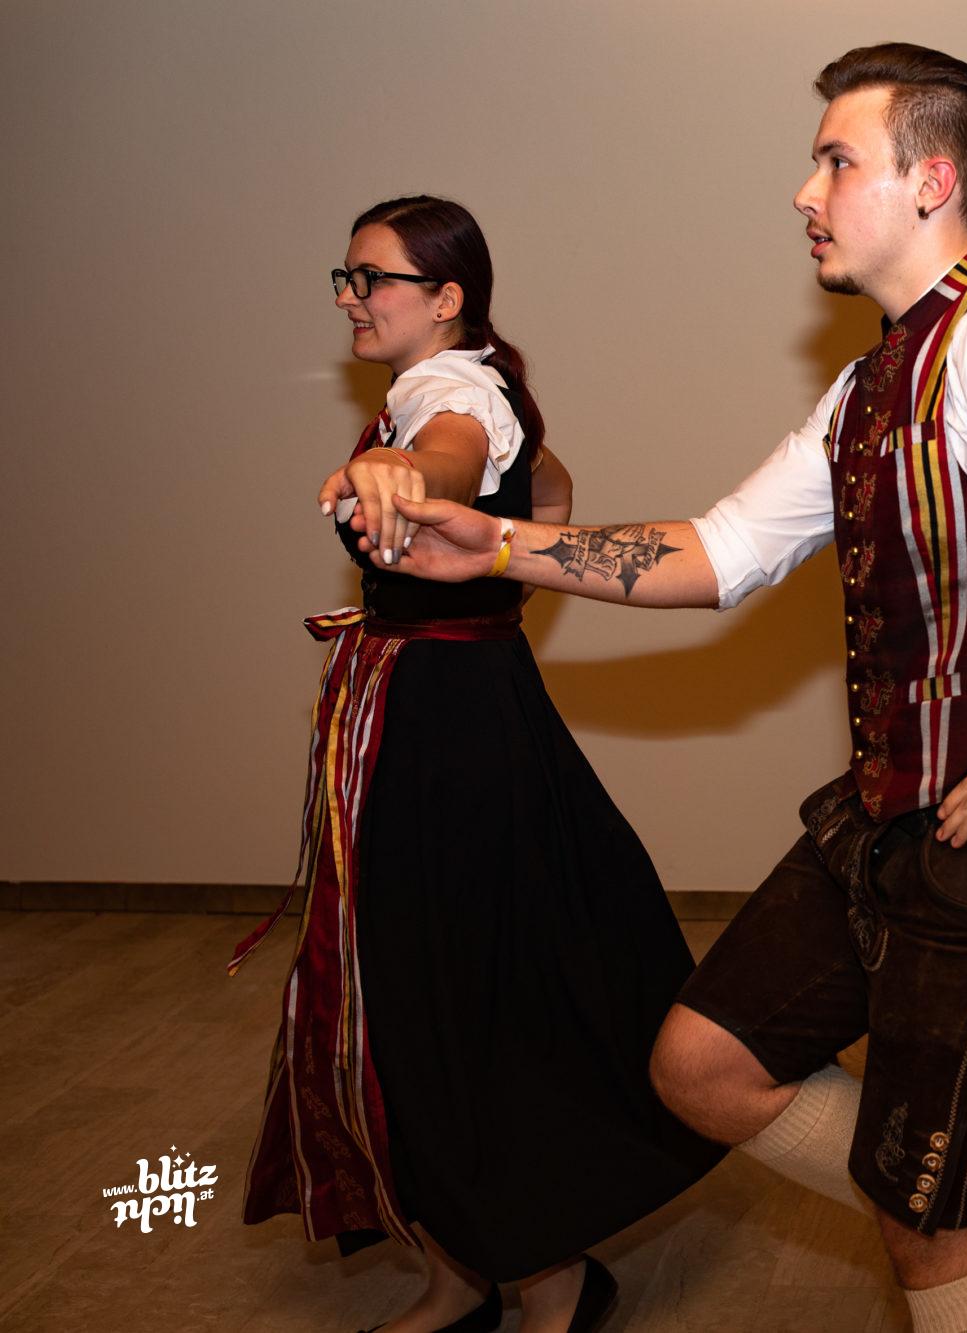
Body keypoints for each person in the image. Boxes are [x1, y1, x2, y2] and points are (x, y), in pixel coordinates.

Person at [372, 46, 967, 1333]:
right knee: (702, 1065)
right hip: (886, 819)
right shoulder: (875, 377)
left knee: (930, 1228)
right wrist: (492, 545)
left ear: (930, 182)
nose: (802, 191)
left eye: (834, 160)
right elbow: (718, 552)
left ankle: (955, 1236)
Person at [234, 196, 723, 1333]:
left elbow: (447, 457)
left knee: (460, 991)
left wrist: (400, 475)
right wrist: (498, 559)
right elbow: (546, 484)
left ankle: (547, 1278)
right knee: (427, 985)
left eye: (374, 278)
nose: (352, 298)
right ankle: (462, 1270)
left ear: (446, 297)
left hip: (446, 727)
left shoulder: (447, 395)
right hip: (442, 708)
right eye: (346, 277)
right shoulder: (474, 382)